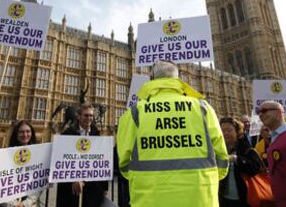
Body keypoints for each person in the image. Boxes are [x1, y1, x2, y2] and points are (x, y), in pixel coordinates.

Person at [117, 60, 229, 206]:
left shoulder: (134, 112)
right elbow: (221, 156)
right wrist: (209, 179)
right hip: (200, 198)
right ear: (177, 79)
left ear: (151, 79)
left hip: (150, 199)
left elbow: (124, 163)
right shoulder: (203, 108)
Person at [56, 103, 108, 207]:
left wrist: (104, 187)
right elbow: (61, 161)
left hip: (92, 188)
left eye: (91, 116)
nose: (89, 118)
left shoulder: (97, 134)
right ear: (78, 116)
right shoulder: (67, 134)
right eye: (86, 115)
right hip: (72, 188)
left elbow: (102, 161)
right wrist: (73, 179)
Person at [219, 117, 261, 206]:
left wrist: (237, 159)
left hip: (245, 200)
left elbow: (255, 168)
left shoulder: (246, 149)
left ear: (237, 132)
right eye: (223, 130)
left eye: (229, 130)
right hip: (224, 200)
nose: (225, 133)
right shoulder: (218, 151)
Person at [3, 120, 43, 207]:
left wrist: (25, 204)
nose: (25, 135)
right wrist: (13, 204)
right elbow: (2, 182)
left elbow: (38, 183)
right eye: (21, 132)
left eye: (28, 131)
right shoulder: (6, 155)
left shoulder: (37, 155)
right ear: (16, 134)